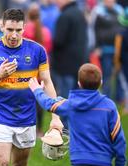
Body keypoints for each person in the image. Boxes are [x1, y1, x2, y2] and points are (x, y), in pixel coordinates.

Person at [0, 8, 63, 166]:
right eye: (10, 30)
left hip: (26, 118)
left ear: (24, 28)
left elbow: (47, 83)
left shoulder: (37, 51)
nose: (14, 35)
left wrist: (55, 118)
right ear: (2, 27)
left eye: (18, 30)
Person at [28, 63, 126, 166]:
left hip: (80, 161)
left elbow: (48, 104)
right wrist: (119, 164)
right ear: (101, 83)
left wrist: (37, 90)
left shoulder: (71, 104)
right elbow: (118, 138)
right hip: (103, 162)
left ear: (79, 83)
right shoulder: (109, 107)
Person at [52, 0, 87, 129]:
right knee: (77, 98)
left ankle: (65, 128)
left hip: (65, 64)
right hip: (79, 63)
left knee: (65, 99)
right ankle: (77, 126)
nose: (56, 3)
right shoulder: (80, 13)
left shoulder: (65, 16)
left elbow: (59, 41)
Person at [23, 2, 53, 137]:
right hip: (42, 69)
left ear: (28, 16)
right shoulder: (45, 30)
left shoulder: (25, 30)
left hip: (27, 69)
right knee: (38, 99)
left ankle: (27, 128)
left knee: (26, 100)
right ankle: (39, 129)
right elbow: (49, 48)